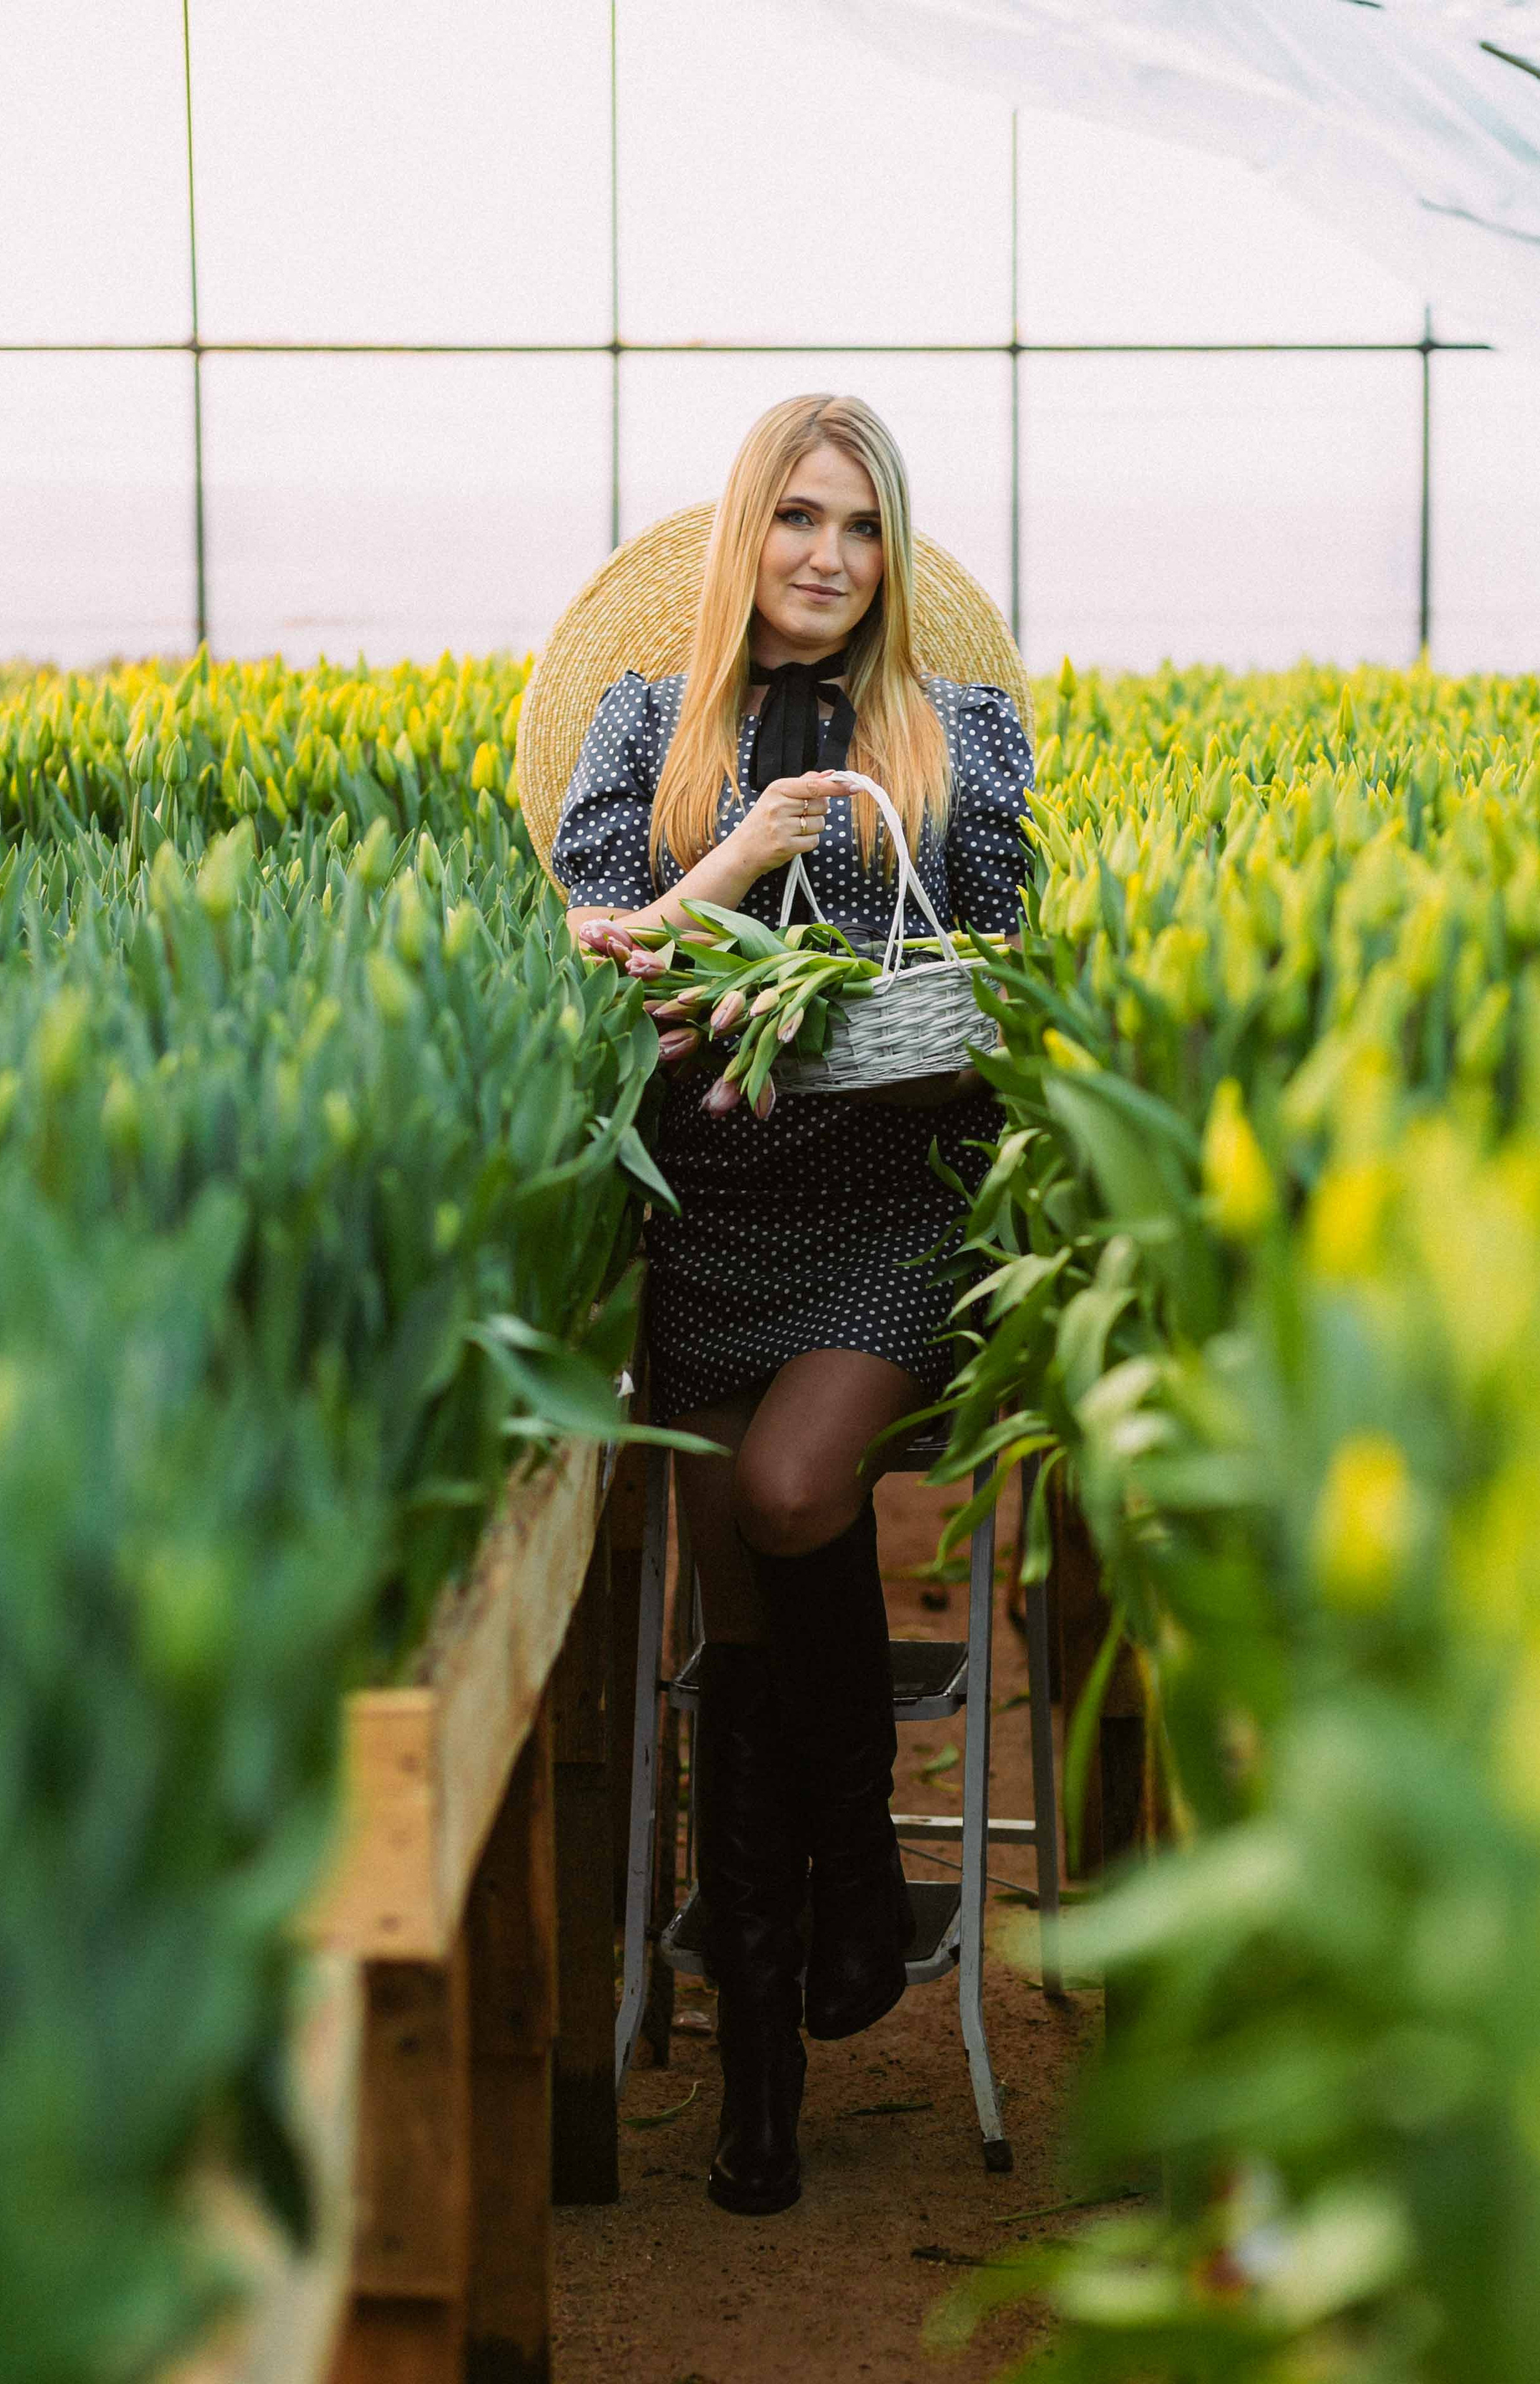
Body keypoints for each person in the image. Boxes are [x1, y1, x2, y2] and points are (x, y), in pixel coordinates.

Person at [551, 394, 1033, 2215]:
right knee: (742, 1623)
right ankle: (768, 2067)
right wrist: (748, 859)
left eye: (859, 529)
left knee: (786, 1493)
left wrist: (866, 1009)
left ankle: (861, 1872)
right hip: (711, 1213)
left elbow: (998, 973)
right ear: (748, 533)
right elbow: (608, 963)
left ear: (890, 555)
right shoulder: (645, 738)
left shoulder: (958, 734)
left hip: (891, 1210)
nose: (826, 558)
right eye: (798, 521)